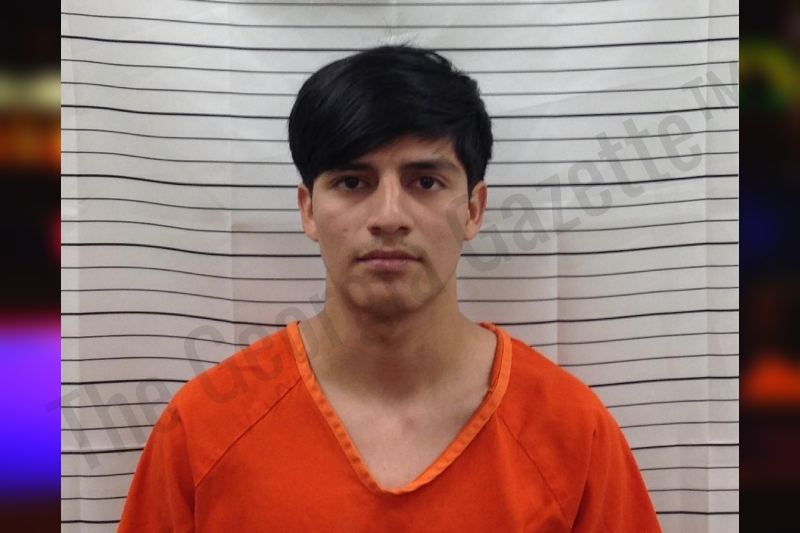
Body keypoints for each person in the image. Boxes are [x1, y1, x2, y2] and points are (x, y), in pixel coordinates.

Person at [117, 45, 662, 532]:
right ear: (309, 211)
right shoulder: (202, 430)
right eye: (352, 182)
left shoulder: (573, 432)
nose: (389, 216)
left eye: (425, 182)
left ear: (474, 210)